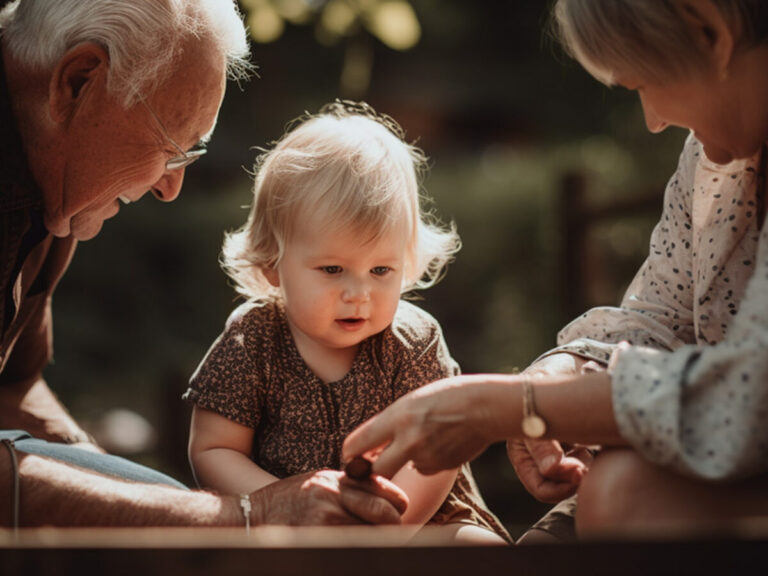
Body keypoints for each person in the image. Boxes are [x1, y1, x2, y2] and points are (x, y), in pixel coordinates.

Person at [343, 0, 768, 538]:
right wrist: (559, 376)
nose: (654, 120)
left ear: (711, 33)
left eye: (642, 82)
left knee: (620, 496)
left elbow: (750, 395)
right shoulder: (712, 165)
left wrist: (509, 407)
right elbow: (661, 320)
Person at [0, 0, 407, 529]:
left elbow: (14, 384)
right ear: (78, 82)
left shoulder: (55, 185)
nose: (172, 188)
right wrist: (240, 516)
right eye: (172, 148)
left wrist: (95, 472)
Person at [183, 101, 510, 544]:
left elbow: (437, 454)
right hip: (286, 526)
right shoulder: (253, 337)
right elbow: (214, 448)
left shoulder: (413, 341)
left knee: (478, 551)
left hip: (418, 521)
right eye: (333, 270)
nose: (359, 294)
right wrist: (279, 506)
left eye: (381, 271)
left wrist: (384, 532)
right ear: (272, 266)